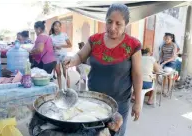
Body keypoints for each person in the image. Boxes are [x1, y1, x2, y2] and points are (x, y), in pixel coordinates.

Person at [64, 4, 142, 136]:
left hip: (119, 103)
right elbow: (80, 56)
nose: (112, 27)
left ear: (126, 24)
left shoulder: (133, 45)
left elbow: (137, 75)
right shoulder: (95, 40)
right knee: (95, 133)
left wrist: (138, 103)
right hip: (94, 101)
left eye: (118, 24)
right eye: (109, 22)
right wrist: (72, 60)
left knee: (115, 133)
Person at [50, 21, 72, 89]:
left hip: (63, 56)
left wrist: (61, 46)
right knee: (58, 73)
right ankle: (60, 89)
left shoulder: (64, 35)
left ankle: (69, 89)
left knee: (65, 73)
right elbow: (49, 47)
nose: (57, 27)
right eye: (55, 26)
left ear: (60, 27)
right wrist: (53, 47)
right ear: (53, 27)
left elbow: (70, 45)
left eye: (59, 26)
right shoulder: (50, 37)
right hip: (55, 56)